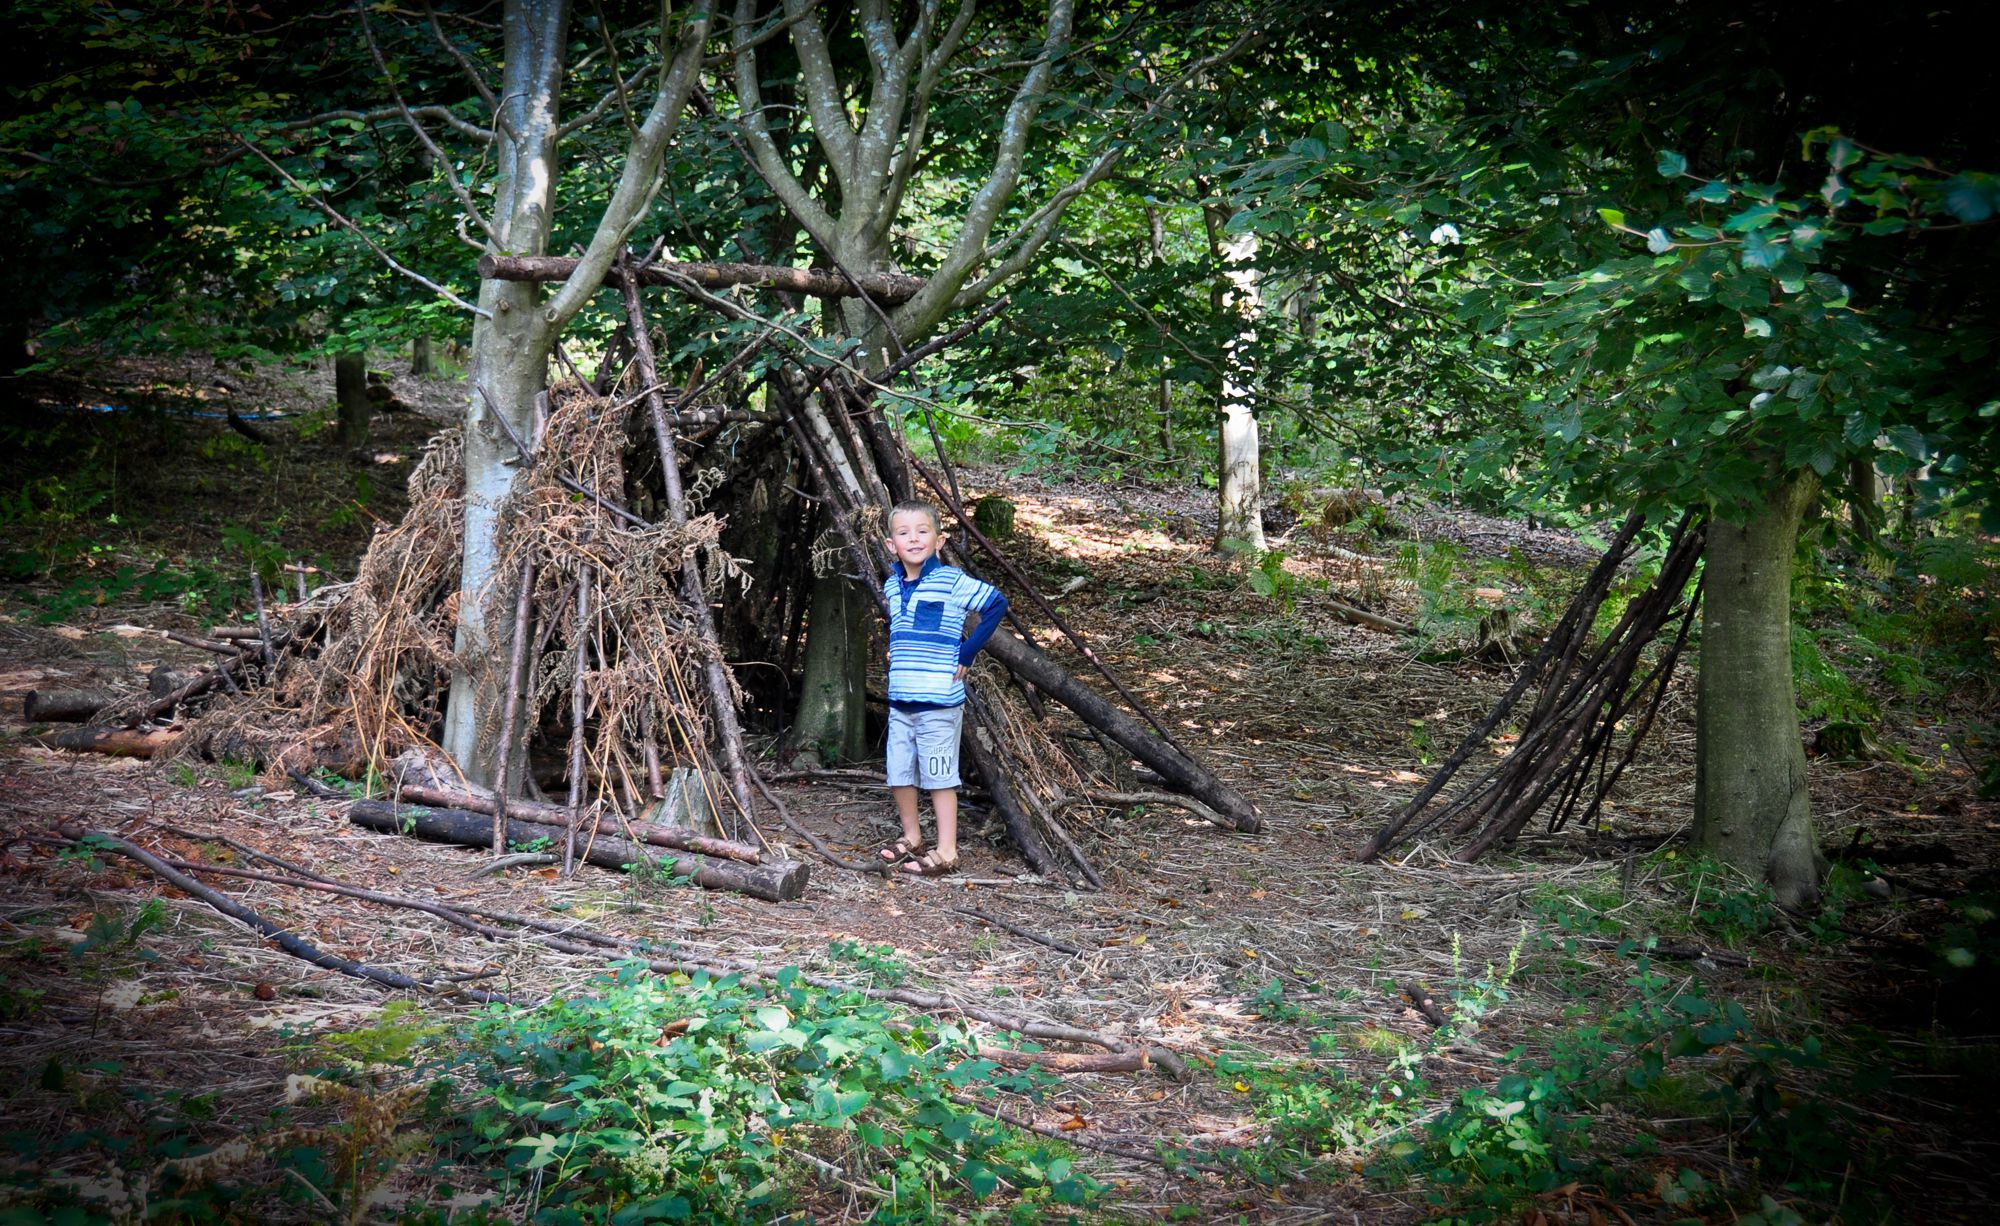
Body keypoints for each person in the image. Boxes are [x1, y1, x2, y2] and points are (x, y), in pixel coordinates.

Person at [879, 499, 1009, 876]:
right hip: (901, 701)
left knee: (939, 775)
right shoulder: (892, 585)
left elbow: (996, 603)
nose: (913, 539)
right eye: (904, 533)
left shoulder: (951, 581)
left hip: (938, 701)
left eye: (922, 531)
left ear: (939, 540)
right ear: (891, 544)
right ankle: (912, 836)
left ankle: (948, 851)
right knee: (899, 772)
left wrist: (968, 650)